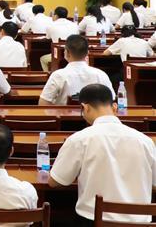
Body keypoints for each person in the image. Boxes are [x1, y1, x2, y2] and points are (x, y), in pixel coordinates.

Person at [49, 84, 156, 225]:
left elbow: (55, 181)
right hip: (140, 222)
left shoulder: (79, 139)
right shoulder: (145, 141)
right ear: (114, 107)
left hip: (93, 221)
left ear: (85, 107)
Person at [39, 35, 113, 105]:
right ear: (87, 53)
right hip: (94, 114)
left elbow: (43, 103)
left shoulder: (58, 75)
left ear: (67, 52)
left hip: (65, 114)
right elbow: (112, 99)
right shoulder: (101, 74)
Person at [41, 7, 80, 71]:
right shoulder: (75, 25)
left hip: (58, 54)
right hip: (74, 54)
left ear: (56, 15)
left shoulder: (50, 25)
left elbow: (48, 38)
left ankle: (49, 75)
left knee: (43, 59)